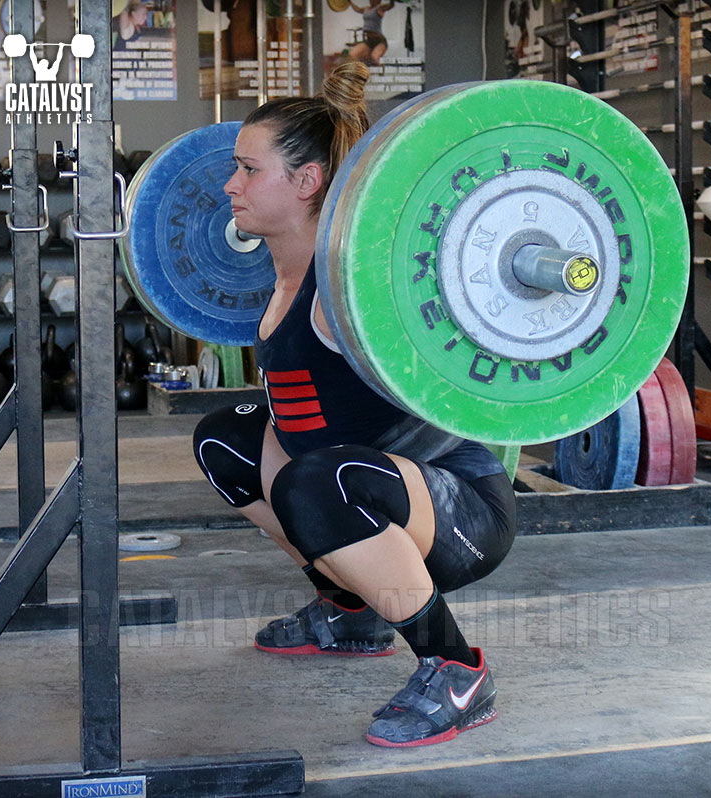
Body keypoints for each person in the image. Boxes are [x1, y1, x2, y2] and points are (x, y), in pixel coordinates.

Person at [193, 59, 517, 748]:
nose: (230, 184)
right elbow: (297, 420)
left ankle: (457, 669)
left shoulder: (353, 290)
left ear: (307, 181)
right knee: (226, 439)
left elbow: (467, 358)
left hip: (461, 511)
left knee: (322, 480)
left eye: (249, 169)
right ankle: (350, 610)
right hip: (361, 485)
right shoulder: (285, 282)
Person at [348, 0, 395, 65]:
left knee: (374, 58)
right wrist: (350, 2)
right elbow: (358, 9)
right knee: (352, 54)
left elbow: (390, 6)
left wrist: (392, 1)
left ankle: (383, 72)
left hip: (380, 41)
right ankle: (361, 73)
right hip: (369, 41)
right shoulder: (366, 9)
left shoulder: (380, 8)